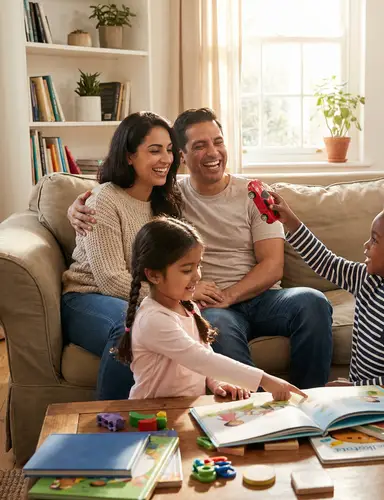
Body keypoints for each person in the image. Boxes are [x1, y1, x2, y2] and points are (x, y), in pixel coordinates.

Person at [68, 108, 334, 390]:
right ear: (183, 157)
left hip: (257, 298)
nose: (213, 153)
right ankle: (254, 413)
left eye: (218, 142)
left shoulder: (171, 198)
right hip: (178, 301)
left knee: (313, 301)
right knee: (149, 323)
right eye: (199, 146)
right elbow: (109, 267)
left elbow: (272, 264)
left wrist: (222, 295)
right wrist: (73, 210)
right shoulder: (166, 196)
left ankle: (310, 401)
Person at [116, 216, 308, 402]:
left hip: (184, 408)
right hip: (150, 414)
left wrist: (218, 383)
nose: (197, 276)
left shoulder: (188, 306)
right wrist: (265, 380)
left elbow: (204, 353)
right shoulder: (154, 319)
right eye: (186, 270)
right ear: (154, 275)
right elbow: (201, 359)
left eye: (198, 266)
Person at [269, 192, 384, 386]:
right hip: (360, 398)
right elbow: (326, 262)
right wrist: (291, 222)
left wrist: (356, 389)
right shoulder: (368, 281)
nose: (366, 245)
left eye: (375, 240)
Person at [61, 111, 183, 400]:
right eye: (154, 150)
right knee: (128, 326)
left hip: (140, 299)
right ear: (129, 156)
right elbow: (111, 280)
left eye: (168, 150)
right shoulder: (104, 199)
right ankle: (111, 430)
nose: (165, 158)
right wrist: (172, 301)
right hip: (86, 298)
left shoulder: (165, 201)